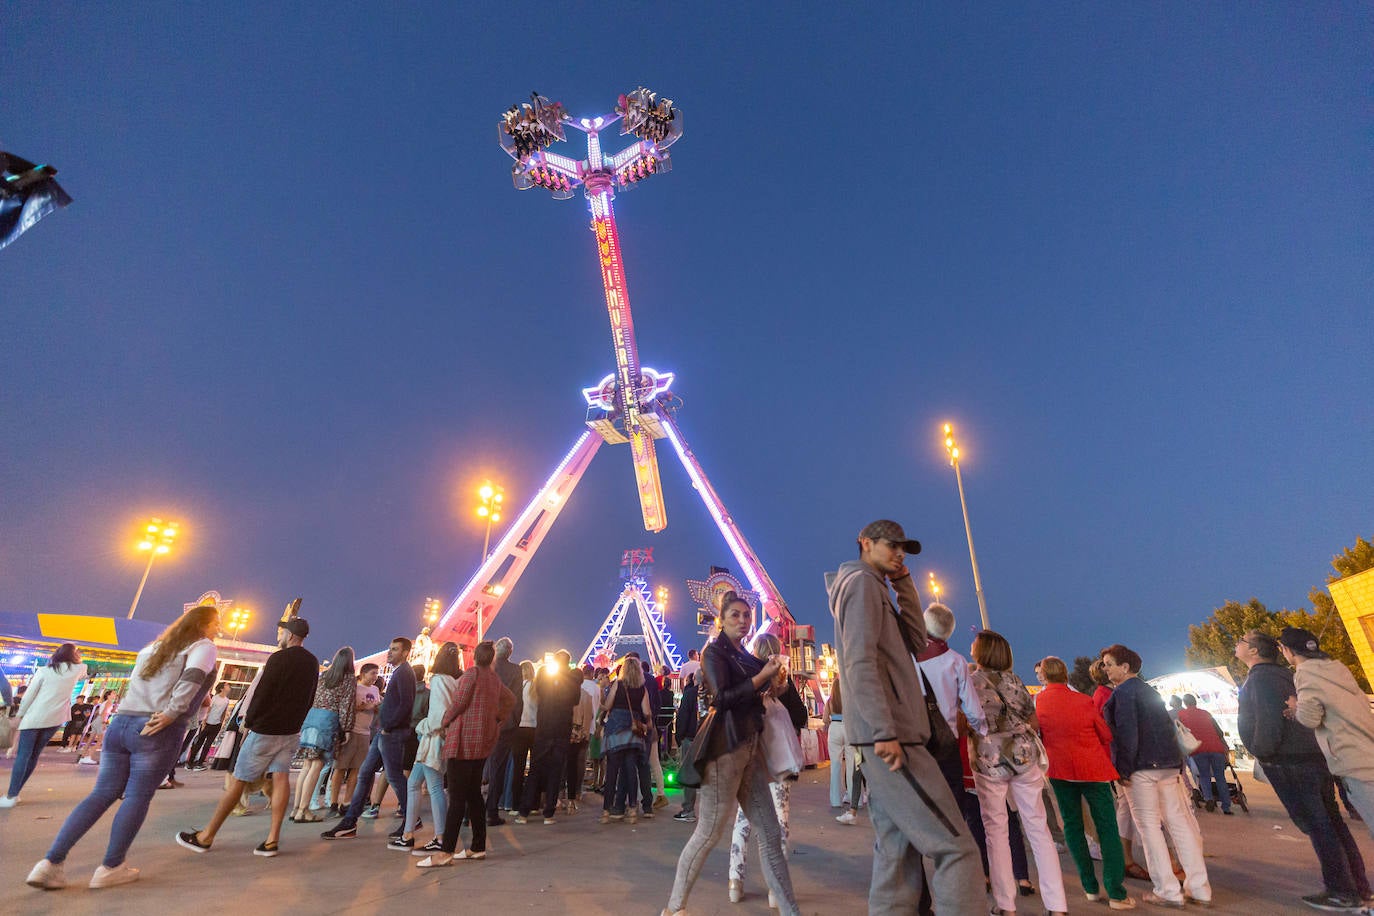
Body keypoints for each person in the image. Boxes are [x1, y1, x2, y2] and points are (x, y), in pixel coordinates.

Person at [825, 519, 982, 916]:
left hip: (893, 733)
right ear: (864, 543)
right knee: (956, 847)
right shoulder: (861, 585)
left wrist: (904, 582)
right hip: (894, 737)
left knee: (897, 851)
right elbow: (859, 662)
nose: (898, 553)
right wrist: (883, 730)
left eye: (903, 549)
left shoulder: (875, 587)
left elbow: (916, 640)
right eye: (890, 545)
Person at [25, 605, 218, 890]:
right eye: (216, 624)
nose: (219, 629)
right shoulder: (203, 646)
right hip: (155, 727)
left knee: (101, 794)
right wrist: (172, 712)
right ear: (204, 624)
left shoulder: (152, 648)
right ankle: (111, 867)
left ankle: (50, 863)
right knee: (137, 797)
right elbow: (192, 679)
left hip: (122, 723)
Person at [662, 591, 799, 916]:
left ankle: (791, 910)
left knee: (769, 832)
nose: (742, 620)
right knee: (708, 833)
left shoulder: (746, 656)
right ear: (722, 619)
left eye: (746, 615)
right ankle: (673, 908)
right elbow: (721, 697)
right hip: (724, 751)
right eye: (735, 615)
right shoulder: (715, 653)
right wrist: (762, 678)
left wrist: (775, 682)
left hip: (749, 750)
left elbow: (760, 688)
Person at [1236, 629, 1368, 911]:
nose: (1237, 644)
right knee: (1331, 823)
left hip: (1290, 762)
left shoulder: (1262, 678)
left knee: (1317, 825)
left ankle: (1342, 891)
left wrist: (1262, 752)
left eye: (1242, 641)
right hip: (1310, 758)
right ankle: (1356, 886)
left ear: (1255, 651)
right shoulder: (1286, 674)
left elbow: (1269, 722)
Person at [177, 617, 318, 858]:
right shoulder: (312, 662)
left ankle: (207, 835)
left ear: (291, 635)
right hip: (291, 731)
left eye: (283, 633)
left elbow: (263, 693)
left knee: (238, 780)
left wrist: (250, 721)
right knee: (281, 779)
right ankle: (272, 839)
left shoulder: (279, 658)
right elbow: (310, 695)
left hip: (266, 729)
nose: (280, 636)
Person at [1102, 643, 1211, 908]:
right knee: (1179, 824)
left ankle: (1167, 889)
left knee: (1149, 828)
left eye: (1109, 664)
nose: (1105, 669)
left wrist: (1123, 769)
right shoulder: (1148, 691)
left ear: (1124, 667)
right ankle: (1199, 888)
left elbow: (1127, 734)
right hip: (1168, 765)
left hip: (1141, 769)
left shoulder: (1124, 694)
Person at [968, 631, 1067, 916]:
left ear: (983, 651)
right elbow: (1032, 719)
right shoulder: (1014, 680)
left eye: (975, 644)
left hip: (990, 760)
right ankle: (1057, 904)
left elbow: (965, 720)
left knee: (996, 830)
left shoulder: (973, 682)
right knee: (1038, 826)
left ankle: (1005, 904)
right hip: (1024, 758)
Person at [1035, 655, 1133, 910]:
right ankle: (1115, 892)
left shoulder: (1039, 701)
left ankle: (1089, 886)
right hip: (1092, 768)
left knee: (1072, 826)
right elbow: (1105, 733)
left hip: (1059, 770)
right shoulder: (1082, 700)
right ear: (1066, 675)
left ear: (1044, 676)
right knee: (1107, 827)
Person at [415, 640, 515, 867]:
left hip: (463, 741)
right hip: (482, 742)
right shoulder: (493, 679)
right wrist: (498, 718)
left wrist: (446, 719)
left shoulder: (472, 675)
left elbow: (459, 703)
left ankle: (445, 851)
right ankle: (478, 846)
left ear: (475, 657)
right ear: (492, 659)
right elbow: (511, 699)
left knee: (458, 798)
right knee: (474, 795)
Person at [727, 633, 807, 907]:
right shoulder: (783, 682)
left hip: (750, 758)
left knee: (744, 820)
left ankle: (735, 881)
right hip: (778, 762)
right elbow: (802, 717)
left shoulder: (749, 678)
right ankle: (776, 890)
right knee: (780, 823)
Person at [321, 637, 415, 840]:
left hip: (391, 733)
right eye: (389, 649)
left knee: (396, 777)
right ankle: (350, 822)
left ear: (406, 652)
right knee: (364, 775)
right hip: (385, 732)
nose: (389, 652)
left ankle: (411, 818)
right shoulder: (399, 672)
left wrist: (389, 726)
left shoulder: (405, 673)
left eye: (395, 650)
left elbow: (407, 705)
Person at [1287, 625, 1374, 836]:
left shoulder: (1305, 673)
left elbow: (1309, 719)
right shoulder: (1336, 668)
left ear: (1288, 651)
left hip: (1353, 761)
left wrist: (1295, 707)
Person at [3, 643, 88, 806]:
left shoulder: (44, 671)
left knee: (23, 755)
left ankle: (11, 796)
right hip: (55, 719)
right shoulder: (78, 669)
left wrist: (20, 715)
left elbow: (28, 696)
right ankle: (15, 793)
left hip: (35, 717)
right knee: (34, 755)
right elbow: (83, 668)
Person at [397, 641, 460, 853]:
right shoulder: (455, 681)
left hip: (432, 738)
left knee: (433, 787)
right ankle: (407, 834)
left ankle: (440, 837)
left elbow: (438, 716)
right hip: (439, 739)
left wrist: (423, 725)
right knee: (414, 783)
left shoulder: (439, 680)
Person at [290, 647, 356, 823]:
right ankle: (304, 810)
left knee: (306, 766)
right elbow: (346, 705)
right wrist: (347, 728)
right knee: (317, 766)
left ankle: (296, 808)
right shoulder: (348, 678)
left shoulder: (325, 675)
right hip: (327, 722)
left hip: (311, 718)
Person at [518, 649, 577, 824]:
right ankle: (548, 813)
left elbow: (539, 693)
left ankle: (524, 811)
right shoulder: (572, 680)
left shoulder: (544, 675)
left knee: (535, 769)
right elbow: (575, 700)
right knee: (555, 772)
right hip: (561, 730)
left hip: (543, 728)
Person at [599, 655, 654, 825]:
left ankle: (606, 811)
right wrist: (648, 725)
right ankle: (632, 810)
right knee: (631, 771)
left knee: (612, 772)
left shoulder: (618, 684)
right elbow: (647, 712)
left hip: (615, 730)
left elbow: (607, 706)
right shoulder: (642, 688)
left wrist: (602, 692)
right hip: (632, 733)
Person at [329, 663, 380, 816]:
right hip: (350, 731)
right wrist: (364, 707)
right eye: (372, 673)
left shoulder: (375, 690)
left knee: (356, 769)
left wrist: (375, 707)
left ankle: (347, 802)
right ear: (363, 674)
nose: (375, 677)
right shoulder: (355, 688)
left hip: (366, 733)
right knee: (340, 768)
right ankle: (333, 802)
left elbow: (376, 707)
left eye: (376, 674)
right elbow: (346, 707)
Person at [485, 636, 524, 826]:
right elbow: (517, 701)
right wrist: (513, 722)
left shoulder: (485, 668)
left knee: (476, 768)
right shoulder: (516, 670)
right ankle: (491, 811)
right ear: (510, 652)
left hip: (482, 724)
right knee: (498, 769)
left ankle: (468, 812)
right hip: (505, 726)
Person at [1175, 694, 1232, 815]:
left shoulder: (1182, 715)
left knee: (1204, 775)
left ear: (1185, 703)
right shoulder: (1206, 713)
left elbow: (1181, 732)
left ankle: (1208, 799)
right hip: (1216, 748)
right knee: (1220, 777)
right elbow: (1219, 731)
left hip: (1198, 749)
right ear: (1195, 702)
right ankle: (1226, 806)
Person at [824, 674, 855, 820]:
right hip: (849, 728)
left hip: (834, 729)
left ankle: (835, 801)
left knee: (835, 767)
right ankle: (856, 800)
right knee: (851, 766)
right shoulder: (849, 699)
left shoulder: (830, 701)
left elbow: (825, 719)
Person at [673, 670, 701, 823]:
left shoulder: (690, 694)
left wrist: (679, 737)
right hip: (708, 738)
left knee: (689, 775)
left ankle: (688, 809)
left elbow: (682, 716)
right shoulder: (712, 693)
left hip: (690, 738)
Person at [186, 682, 232, 770]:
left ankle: (200, 763)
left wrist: (221, 724)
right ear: (221, 689)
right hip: (207, 723)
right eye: (226, 685)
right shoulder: (214, 698)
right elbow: (208, 710)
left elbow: (224, 713)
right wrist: (204, 722)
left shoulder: (226, 700)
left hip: (216, 725)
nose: (229, 687)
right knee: (199, 742)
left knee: (208, 745)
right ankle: (190, 762)